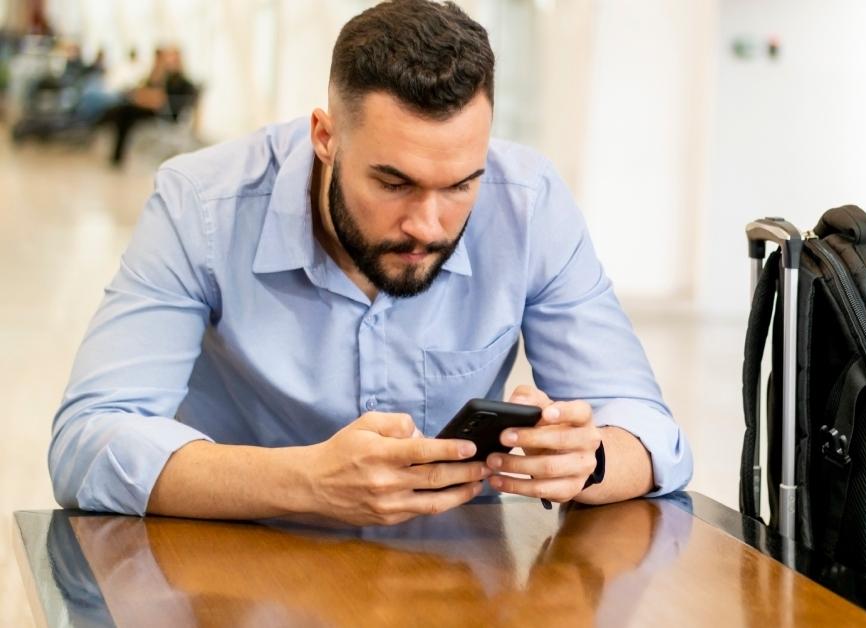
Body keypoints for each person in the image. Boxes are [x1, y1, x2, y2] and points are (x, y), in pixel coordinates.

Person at [50, 0, 692, 526]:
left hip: (454, 582)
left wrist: (591, 460)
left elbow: (647, 429)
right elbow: (88, 441)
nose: (429, 224)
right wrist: (305, 482)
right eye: (393, 183)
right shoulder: (202, 206)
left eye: (461, 183)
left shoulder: (530, 203)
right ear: (325, 138)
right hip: (236, 567)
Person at [94, 45, 196, 165]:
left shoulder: (180, 81)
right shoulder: (164, 76)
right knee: (121, 111)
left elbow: (160, 100)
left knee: (124, 112)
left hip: (164, 114)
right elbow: (147, 88)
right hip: (155, 110)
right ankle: (111, 147)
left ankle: (113, 152)